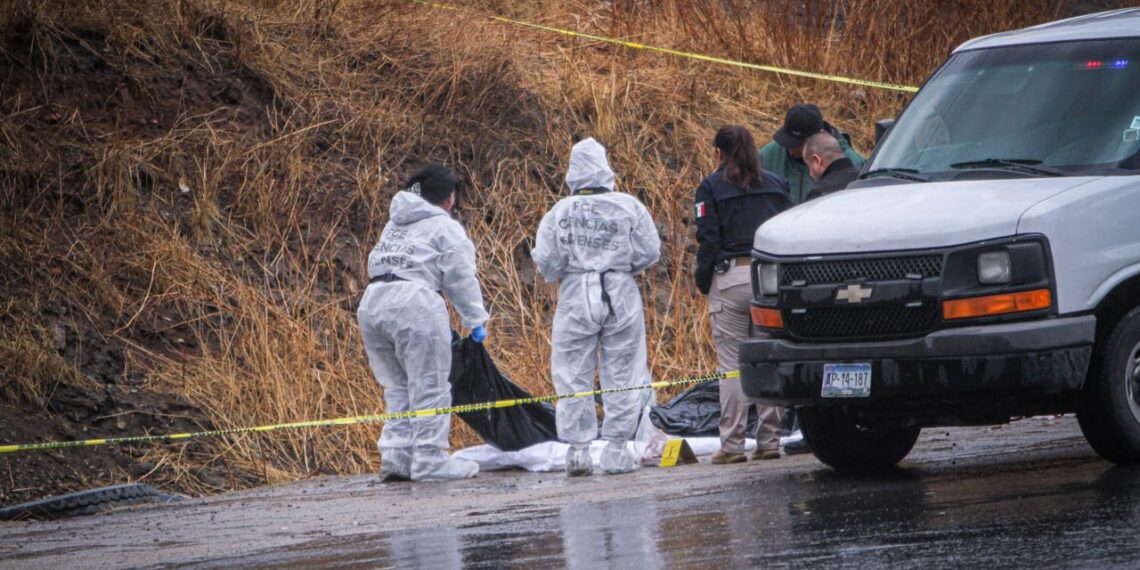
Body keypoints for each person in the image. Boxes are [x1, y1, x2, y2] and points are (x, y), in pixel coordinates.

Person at [531, 137, 661, 477]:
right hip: (619, 293)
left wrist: (573, 267)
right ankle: (618, 451)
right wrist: (622, 266)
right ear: (605, 168)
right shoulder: (628, 205)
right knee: (623, 370)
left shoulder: (559, 212)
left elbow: (546, 263)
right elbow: (649, 251)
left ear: (573, 173)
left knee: (571, 371)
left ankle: (578, 453)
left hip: (576, 294)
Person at [357, 164, 489, 482]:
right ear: (448, 198)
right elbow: (460, 277)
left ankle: (396, 457)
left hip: (373, 301)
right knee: (429, 384)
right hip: (414, 302)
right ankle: (430, 460)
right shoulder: (444, 228)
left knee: (398, 386)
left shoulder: (395, 225)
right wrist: (475, 319)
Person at [694, 125, 794, 464]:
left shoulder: (711, 187)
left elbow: (708, 239)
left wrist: (703, 279)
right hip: (770, 277)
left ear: (719, 154)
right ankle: (770, 442)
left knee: (732, 365)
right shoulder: (777, 183)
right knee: (767, 358)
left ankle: (733, 445)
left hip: (732, 275)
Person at [759, 103, 865, 204]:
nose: (791, 150)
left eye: (797, 145)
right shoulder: (766, 157)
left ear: (818, 137)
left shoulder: (855, 165)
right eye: (787, 142)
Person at [804, 131, 861, 201]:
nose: (810, 173)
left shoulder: (820, 194)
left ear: (817, 160)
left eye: (809, 166)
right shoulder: (866, 180)